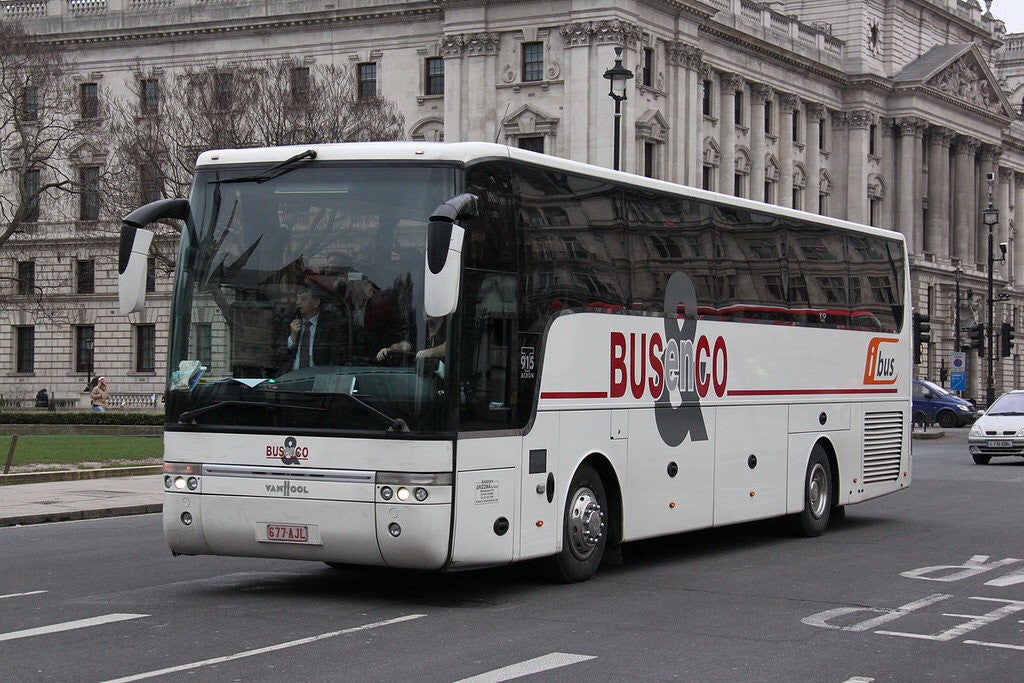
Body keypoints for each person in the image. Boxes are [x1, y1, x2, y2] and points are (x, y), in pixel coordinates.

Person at [280, 284, 346, 372]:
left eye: (303, 299)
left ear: (316, 302)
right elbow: (278, 355)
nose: (298, 303)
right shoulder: (289, 321)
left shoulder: (330, 324)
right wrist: (292, 338)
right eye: (297, 298)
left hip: (320, 375)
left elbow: (337, 358)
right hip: (291, 375)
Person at [376, 314, 447, 368]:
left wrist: (429, 352)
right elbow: (403, 346)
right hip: (418, 377)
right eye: (425, 307)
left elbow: (447, 348)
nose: (426, 311)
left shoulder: (449, 328)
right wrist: (389, 350)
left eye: (430, 307)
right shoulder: (418, 329)